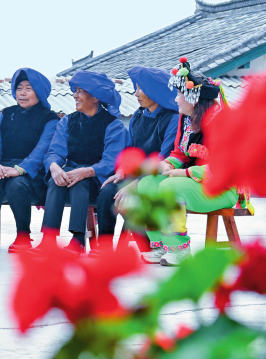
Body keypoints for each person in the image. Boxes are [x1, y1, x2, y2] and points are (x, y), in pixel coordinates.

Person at [136, 58, 245, 266]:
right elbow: (180, 153)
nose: (176, 99)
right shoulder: (186, 119)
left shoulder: (222, 122)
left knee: (170, 186)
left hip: (222, 188)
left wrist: (185, 173)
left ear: (193, 98)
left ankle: (179, 249)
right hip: (196, 183)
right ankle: (161, 246)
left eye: (179, 95)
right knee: (147, 184)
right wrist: (168, 164)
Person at [40, 70, 129, 255]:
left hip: (99, 179)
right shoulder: (67, 121)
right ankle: (48, 240)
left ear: (95, 97)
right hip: (73, 172)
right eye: (75, 91)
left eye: (80, 91)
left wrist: (86, 171)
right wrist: (54, 167)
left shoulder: (114, 125)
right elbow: (55, 151)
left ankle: (78, 240)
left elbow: (110, 161)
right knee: (55, 181)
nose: (75, 95)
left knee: (79, 182)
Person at [93, 66, 180, 253]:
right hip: (135, 174)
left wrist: (136, 183)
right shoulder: (138, 115)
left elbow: (165, 157)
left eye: (141, 88)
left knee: (130, 196)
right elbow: (129, 149)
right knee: (107, 192)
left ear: (156, 90)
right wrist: (121, 171)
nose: (136, 93)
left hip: (158, 176)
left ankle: (149, 244)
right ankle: (104, 247)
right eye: (136, 87)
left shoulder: (173, 119)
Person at [0, 68, 60, 253]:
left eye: (29, 88)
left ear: (39, 91)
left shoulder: (50, 118)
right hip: (3, 167)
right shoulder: (7, 113)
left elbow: (43, 149)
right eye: (19, 88)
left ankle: (23, 237)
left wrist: (20, 169)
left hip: (32, 172)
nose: (22, 93)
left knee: (16, 185)